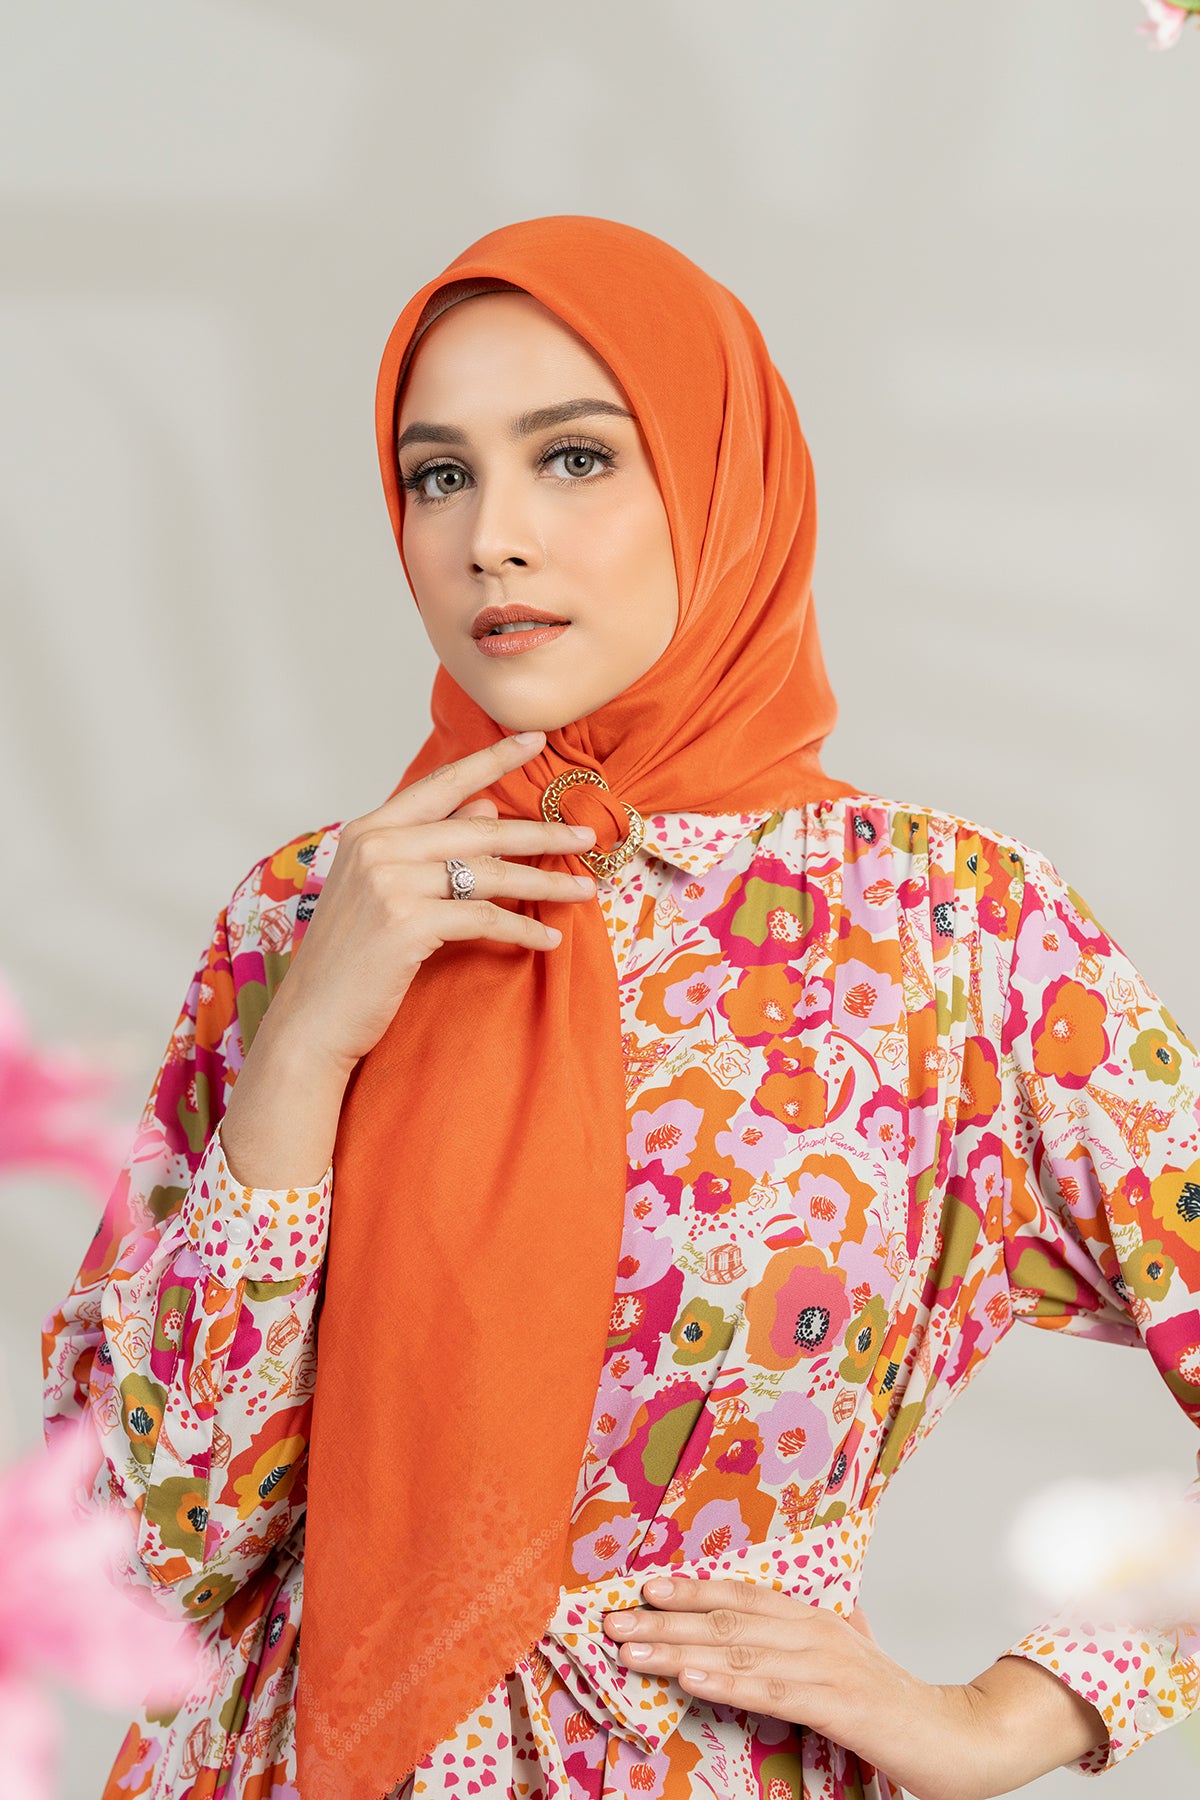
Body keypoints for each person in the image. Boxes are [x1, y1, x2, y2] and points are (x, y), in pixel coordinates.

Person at [42, 216, 1200, 1800]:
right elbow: (143, 1551)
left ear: (722, 488)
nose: (490, 539)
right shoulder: (316, 910)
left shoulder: (954, 933)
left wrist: (1017, 1715)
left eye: (575, 458)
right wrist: (306, 1047)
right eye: (438, 476)